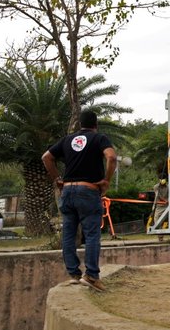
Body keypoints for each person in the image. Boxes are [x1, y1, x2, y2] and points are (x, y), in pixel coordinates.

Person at [42, 108, 117, 291]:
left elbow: (46, 157)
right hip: (88, 191)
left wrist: (57, 179)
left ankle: (74, 274)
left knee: (68, 233)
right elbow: (112, 157)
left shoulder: (67, 140)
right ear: (96, 125)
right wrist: (106, 180)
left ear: (80, 125)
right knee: (91, 233)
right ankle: (91, 276)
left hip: (67, 192)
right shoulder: (99, 138)